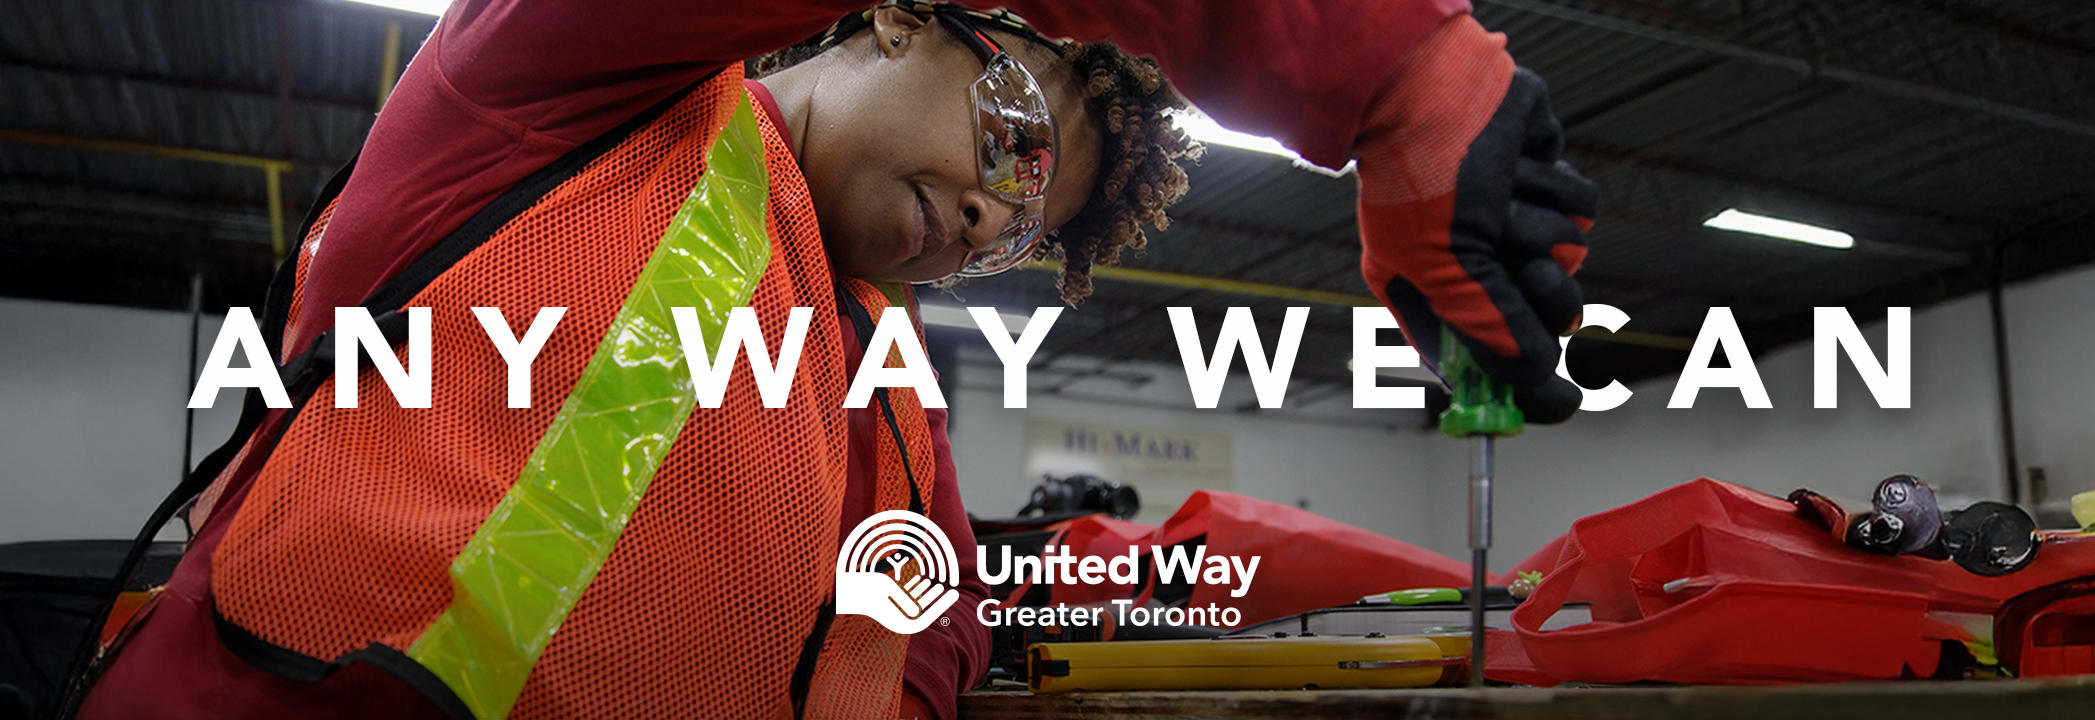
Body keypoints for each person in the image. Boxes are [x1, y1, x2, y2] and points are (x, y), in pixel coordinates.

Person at [73, 0, 1595, 718]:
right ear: (883, 18)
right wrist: (1382, 67)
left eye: (1018, 230)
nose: (989, 215)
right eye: (1012, 139)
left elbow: (914, 615)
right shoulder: (545, 93)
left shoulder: (884, 366)